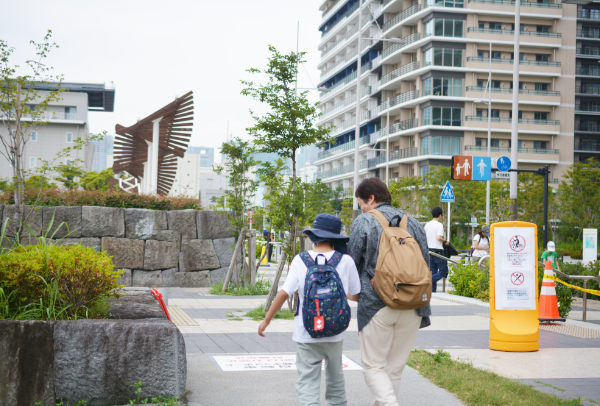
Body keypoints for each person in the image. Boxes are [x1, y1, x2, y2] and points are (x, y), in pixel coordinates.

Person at [258, 213, 360, 406]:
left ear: (313, 236)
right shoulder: (345, 260)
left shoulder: (300, 260)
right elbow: (355, 294)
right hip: (335, 331)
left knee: (307, 383)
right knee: (336, 380)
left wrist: (267, 320)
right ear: (336, 238)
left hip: (306, 331)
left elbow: (284, 293)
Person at [347, 178, 431, 406]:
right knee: (394, 369)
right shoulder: (413, 223)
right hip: (413, 304)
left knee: (374, 366)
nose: (361, 208)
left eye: (361, 203)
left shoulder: (363, 221)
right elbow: (426, 264)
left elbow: (352, 265)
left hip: (377, 304)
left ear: (371, 199)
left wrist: (351, 294)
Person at [424, 206, 449, 293]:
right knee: (444, 272)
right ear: (440, 215)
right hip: (438, 251)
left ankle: (433, 293)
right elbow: (439, 238)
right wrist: (445, 240)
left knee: (433, 272)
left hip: (429, 251)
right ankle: (427, 280)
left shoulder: (427, 225)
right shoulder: (439, 225)